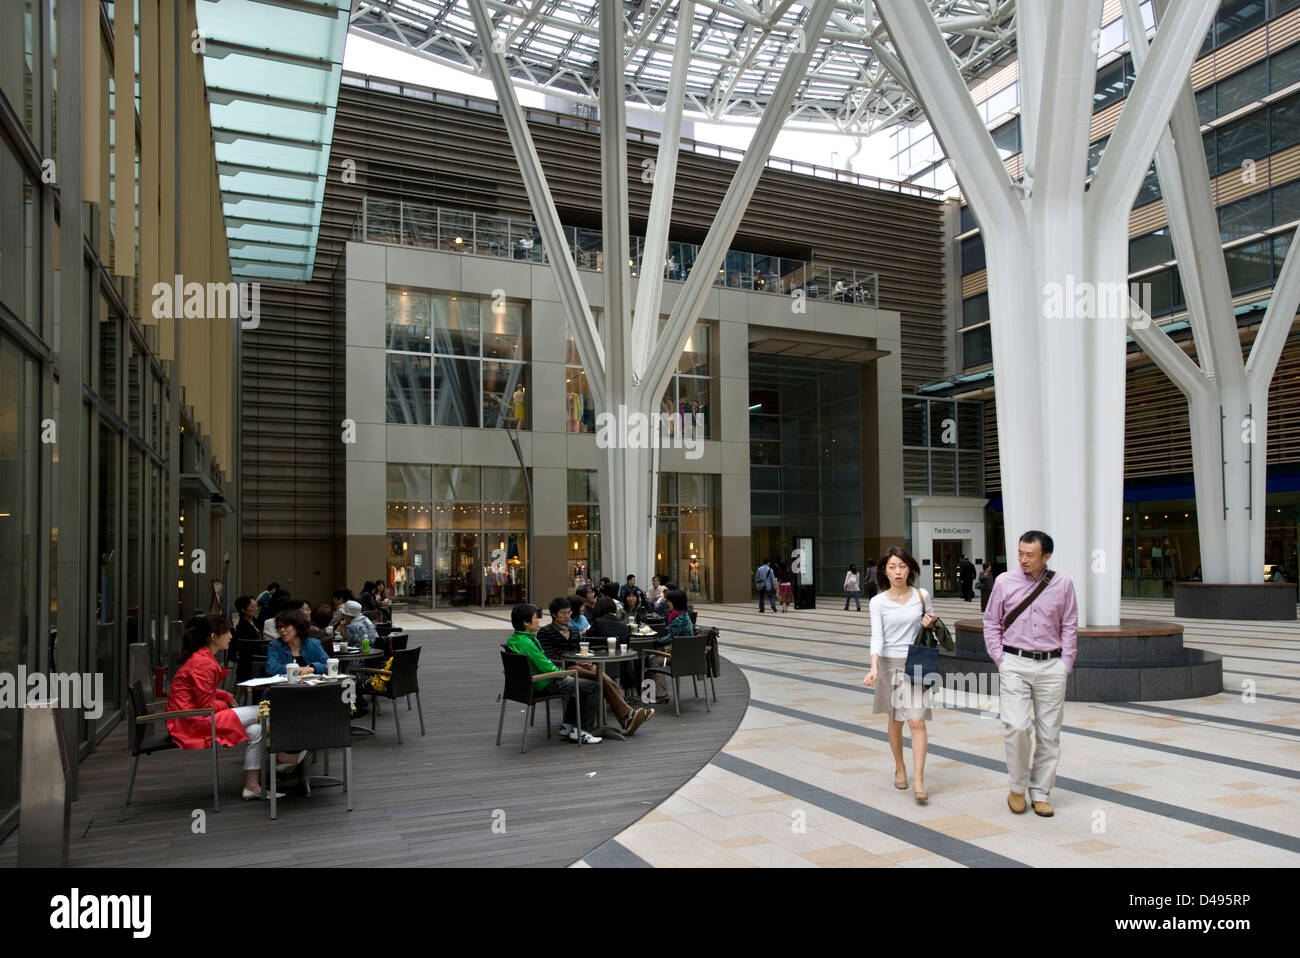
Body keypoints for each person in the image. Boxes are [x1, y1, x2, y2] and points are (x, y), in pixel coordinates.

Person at [982, 530, 1078, 819]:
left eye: (1030, 555)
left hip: (1052, 665)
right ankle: (1017, 786)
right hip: (1014, 662)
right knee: (1017, 727)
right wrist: (1000, 658)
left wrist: (1066, 664)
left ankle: (1040, 793)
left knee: (1049, 734)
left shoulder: (1063, 584)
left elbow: (1070, 624)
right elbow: (991, 621)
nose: (1023, 559)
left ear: (1045, 557)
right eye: (1020, 553)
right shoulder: (1004, 582)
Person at [167, 614, 295, 800]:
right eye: (226, 632)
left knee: (256, 729)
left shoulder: (201, 658)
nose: (230, 636)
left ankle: (252, 785)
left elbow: (201, 693)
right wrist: (224, 701)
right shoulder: (203, 663)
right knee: (266, 710)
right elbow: (205, 704)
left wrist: (225, 696)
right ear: (213, 637)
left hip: (190, 718)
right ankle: (282, 754)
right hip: (193, 721)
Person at [863, 546, 937, 804]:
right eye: (892, 567)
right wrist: (873, 667)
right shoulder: (878, 602)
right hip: (889, 664)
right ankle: (900, 767)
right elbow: (877, 637)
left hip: (916, 663)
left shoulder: (922, 595)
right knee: (896, 720)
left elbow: (931, 624)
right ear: (884, 570)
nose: (898, 571)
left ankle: (918, 779)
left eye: (902, 566)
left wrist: (929, 622)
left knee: (916, 721)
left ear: (910, 569)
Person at [506, 603, 602, 744]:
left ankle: (568, 725)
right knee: (593, 687)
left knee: (579, 685)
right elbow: (546, 666)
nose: (538, 620)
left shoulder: (514, 639)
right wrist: (563, 673)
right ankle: (583, 731)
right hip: (544, 683)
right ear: (526, 622)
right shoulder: (527, 643)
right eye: (535, 618)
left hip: (527, 685)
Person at [647, 588, 694, 702]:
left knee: (653, 659)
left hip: (680, 656)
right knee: (654, 656)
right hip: (687, 653)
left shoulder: (678, 619)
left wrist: (657, 641)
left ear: (676, 602)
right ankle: (654, 692)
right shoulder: (683, 615)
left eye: (668, 601)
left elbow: (670, 638)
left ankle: (661, 694)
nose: (666, 603)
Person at [267, 608, 330, 678]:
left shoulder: (313, 644)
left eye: (286, 626)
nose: (282, 630)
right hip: (286, 687)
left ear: (297, 626)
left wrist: (311, 669)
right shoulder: (275, 645)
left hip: (312, 687)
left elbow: (329, 664)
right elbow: (271, 668)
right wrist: (295, 669)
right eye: (280, 627)